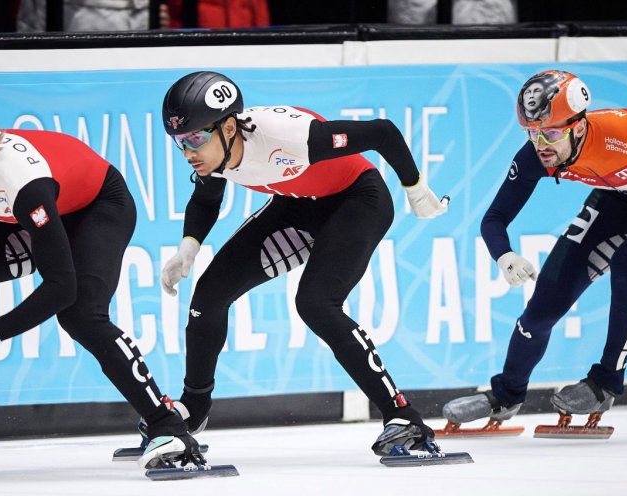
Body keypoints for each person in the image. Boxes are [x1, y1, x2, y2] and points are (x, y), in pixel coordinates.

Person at [155, 71, 450, 460]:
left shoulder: (290, 136)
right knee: (207, 298)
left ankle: (402, 416)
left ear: (228, 127)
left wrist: (415, 188)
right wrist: (188, 249)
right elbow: (207, 201)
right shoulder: (216, 153)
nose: (188, 151)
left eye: (195, 138)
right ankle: (193, 409)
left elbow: (383, 132)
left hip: (357, 200)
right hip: (296, 205)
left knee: (316, 304)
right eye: (179, 142)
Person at [0, 97, 198, 468]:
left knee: (80, 314)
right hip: (39, 211)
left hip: (96, 206)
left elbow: (61, 287)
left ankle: (167, 426)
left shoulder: (20, 181)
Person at [442, 70, 627, 433]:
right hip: (619, 201)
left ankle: (605, 383)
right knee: (545, 301)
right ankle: (507, 394)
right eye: (532, 132)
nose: (541, 143)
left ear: (578, 125)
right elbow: (494, 219)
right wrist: (504, 256)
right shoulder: (536, 155)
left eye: (551, 133)